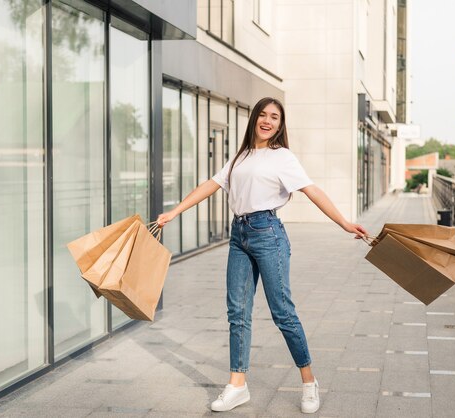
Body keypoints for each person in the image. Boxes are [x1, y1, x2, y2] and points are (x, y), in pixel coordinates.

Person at [157, 97, 368, 414]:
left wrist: (343, 222)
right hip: (239, 234)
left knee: (282, 311)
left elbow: (312, 190)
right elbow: (211, 185)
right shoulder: (241, 156)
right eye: (264, 115)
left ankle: (309, 382)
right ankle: (237, 385)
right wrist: (175, 212)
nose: (268, 121)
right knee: (237, 312)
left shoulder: (282, 157)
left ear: (281, 125)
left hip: (267, 233)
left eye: (275, 117)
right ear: (255, 118)